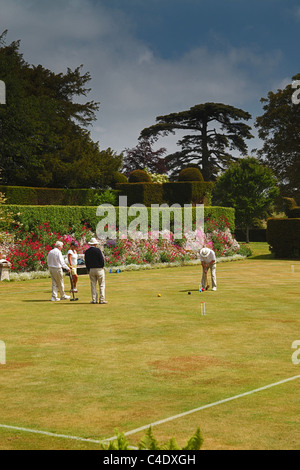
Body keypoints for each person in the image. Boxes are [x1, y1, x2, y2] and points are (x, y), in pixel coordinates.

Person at [84, 238, 107, 304]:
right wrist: (102, 266)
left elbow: (86, 261)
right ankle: (101, 299)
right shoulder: (98, 250)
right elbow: (101, 260)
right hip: (99, 269)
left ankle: (94, 299)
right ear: (94, 244)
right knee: (101, 285)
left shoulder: (87, 251)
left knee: (93, 285)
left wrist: (88, 269)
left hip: (91, 269)